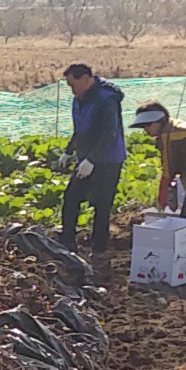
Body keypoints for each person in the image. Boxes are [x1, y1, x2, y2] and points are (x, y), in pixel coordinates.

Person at [57, 64, 126, 264]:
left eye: (73, 85)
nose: (72, 90)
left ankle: (99, 248)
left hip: (108, 160)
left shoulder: (106, 99)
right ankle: (68, 240)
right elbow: (80, 129)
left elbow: (109, 133)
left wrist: (92, 160)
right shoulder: (79, 100)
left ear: (86, 78)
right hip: (85, 159)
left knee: (102, 204)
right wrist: (69, 151)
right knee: (71, 197)